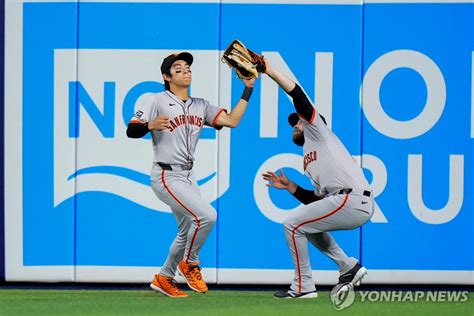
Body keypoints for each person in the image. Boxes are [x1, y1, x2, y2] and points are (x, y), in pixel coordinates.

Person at [127, 52, 256, 298]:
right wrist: (149, 126)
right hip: (166, 174)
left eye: (187, 67)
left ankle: (164, 277)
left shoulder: (200, 105)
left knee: (187, 230)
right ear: (166, 76)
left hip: (188, 176)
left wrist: (248, 89)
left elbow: (232, 121)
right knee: (207, 215)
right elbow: (131, 130)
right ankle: (190, 263)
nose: (185, 70)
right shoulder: (156, 100)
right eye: (178, 68)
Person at [261, 60, 374, 299]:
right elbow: (316, 201)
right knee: (306, 226)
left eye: (298, 121)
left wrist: (269, 71)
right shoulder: (309, 156)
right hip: (345, 199)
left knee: (291, 224)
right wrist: (292, 187)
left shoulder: (318, 131)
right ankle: (348, 266)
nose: (296, 124)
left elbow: (297, 95)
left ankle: (303, 287)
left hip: (352, 198)